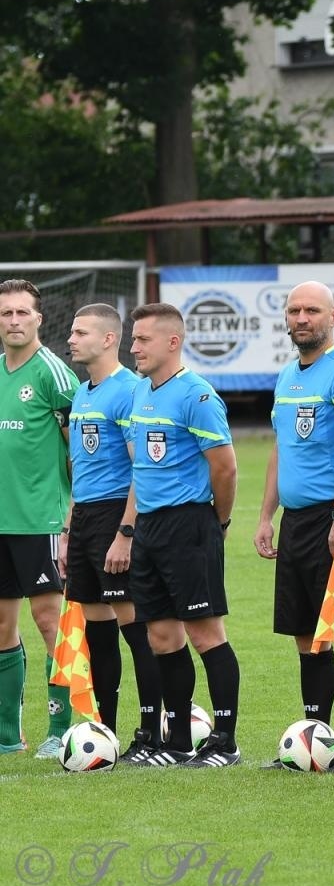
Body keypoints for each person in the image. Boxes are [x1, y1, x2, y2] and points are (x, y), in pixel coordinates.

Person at [254, 282, 334, 773]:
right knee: (308, 637)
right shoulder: (288, 374)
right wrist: (267, 515)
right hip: (295, 523)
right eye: (293, 310)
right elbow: (281, 449)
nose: (301, 318)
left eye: (311, 310)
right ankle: (314, 742)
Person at [124, 303, 241, 767]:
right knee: (161, 637)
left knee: (205, 633)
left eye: (143, 340)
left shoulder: (197, 395)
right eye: (133, 339)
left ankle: (225, 741)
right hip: (149, 528)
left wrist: (219, 523)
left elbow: (226, 467)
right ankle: (176, 742)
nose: (135, 348)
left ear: (173, 342)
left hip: (189, 524)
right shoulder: (140, 393)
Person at [63, 303, 163, 760]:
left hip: (114, 517)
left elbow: (141, 468)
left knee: (133, 624)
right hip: (84, 518)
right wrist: (68, 530)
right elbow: (78, 468)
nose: (71, 339)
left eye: (80, 332)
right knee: (96, 629)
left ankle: (150, 728)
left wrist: (126, 532)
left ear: (108, 339)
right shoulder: (83, 392)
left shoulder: (129, 391)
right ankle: (103, 728)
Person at [0, 280, 78, 759]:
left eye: (21, 313)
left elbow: (83, 450)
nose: (13, 321)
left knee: (51, 621)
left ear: (38, 319)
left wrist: (73, 512)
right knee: (2, 628)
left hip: (42, 518)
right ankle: (8, 736)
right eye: (5, 313)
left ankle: (61, 730)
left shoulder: (54, 374)